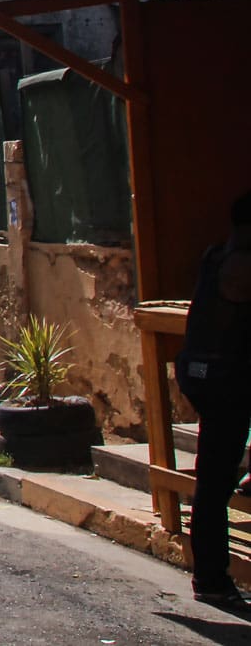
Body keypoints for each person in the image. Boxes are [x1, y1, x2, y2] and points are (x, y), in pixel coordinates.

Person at [176, 190, 251, 611]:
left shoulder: (217, 255)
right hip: (225, 380)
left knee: (213, 476)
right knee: (215, 481)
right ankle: (210, 577)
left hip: (204, 374)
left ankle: (209, 576)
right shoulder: (241, 264)